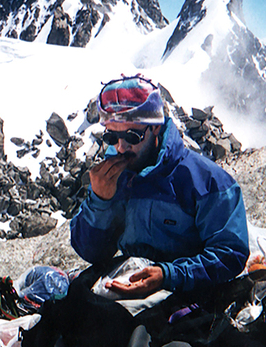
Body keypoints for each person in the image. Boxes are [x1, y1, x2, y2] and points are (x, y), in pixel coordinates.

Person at [70, 74, 249, 297]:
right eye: (112, 137)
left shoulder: (208, 181)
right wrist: (100, 201)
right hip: (131, 281)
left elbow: (231, 254)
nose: (121, 147)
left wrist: (168, 275)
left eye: (132, 136)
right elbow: (91, 253)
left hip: (187, 292)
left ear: (155, 127)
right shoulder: (115, 178)